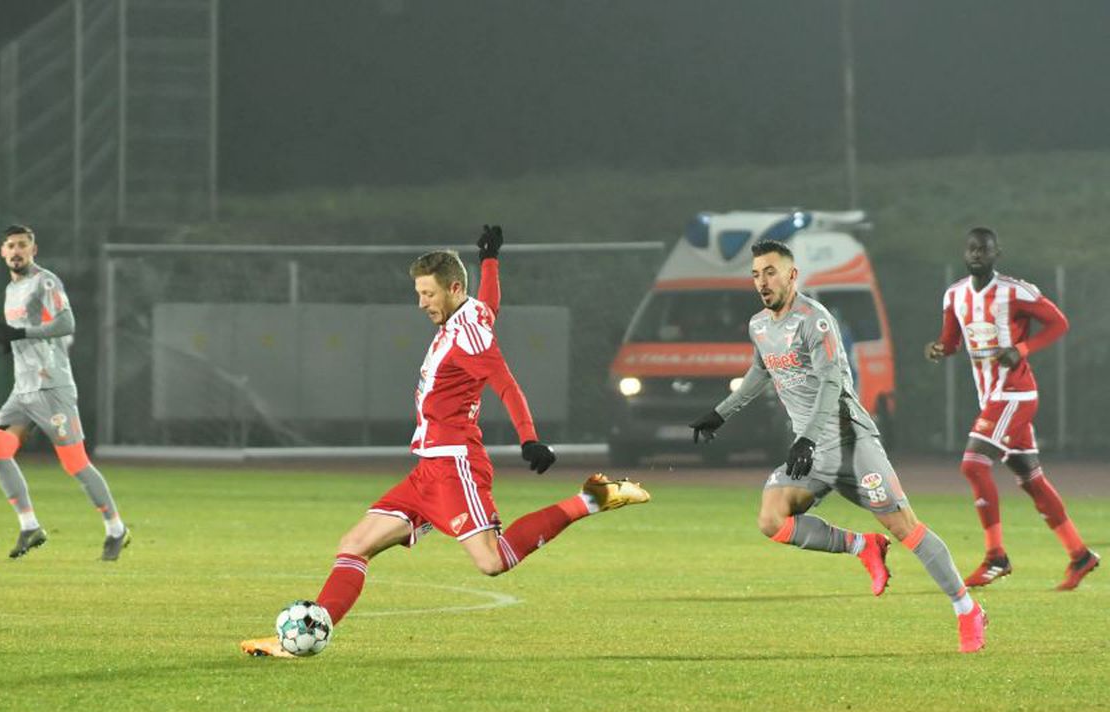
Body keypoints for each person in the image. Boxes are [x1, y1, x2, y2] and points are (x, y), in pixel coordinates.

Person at [242, 225, 649, 656]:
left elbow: (507, 385)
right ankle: (302, 636)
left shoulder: (470, 337)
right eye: (418, 294)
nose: (421, 304)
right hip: (428, 469)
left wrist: (530, 440)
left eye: (429, 294)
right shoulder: (470, 312)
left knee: (492, 561)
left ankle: (591, 499)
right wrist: (490, 260)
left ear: (454, 288)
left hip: (455, 467)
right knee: (354, 545)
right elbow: (489, 304)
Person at [689, 240, 986, 653]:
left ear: (792, 275)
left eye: (770, 272)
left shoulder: (816, 320)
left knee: (906, 529)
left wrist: (807, 436)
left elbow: (831, 381)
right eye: (756, 274)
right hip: (811, 451)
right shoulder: (759, 325)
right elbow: (760, 370)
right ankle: (862, 546)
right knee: (772, 519)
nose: (762, 281)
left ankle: (967, 609)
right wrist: (720, 413)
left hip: (850, 442)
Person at [925, 227, 1098, 591]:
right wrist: (940, 348)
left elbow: (1058, 323)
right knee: (1031, 479)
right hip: (992, 397)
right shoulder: (954, 294)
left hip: (1014, 392)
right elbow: (952, 340)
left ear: (996, 253)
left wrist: (1022, 349)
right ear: (964, 253)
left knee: (973, 465)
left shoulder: (1014, 291)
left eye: (984, 250)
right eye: (971, 249)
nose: (976, 254)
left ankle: (995, 557)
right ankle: (1080, 555)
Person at [0, 224, 130, 561]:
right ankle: (29, 526)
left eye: (23, 245)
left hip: (52, 388)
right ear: (2, 252)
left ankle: (116, 529)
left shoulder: (45, 281)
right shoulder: (12, 288)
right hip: (23, 391)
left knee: (76, 463)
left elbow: (67, 323)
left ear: (33, 249)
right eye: (11, 246)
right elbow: (32, 334)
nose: (17, 251)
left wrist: (20, 334)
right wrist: (15, 344)